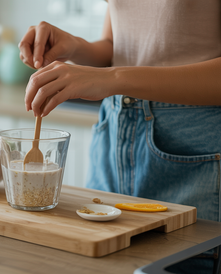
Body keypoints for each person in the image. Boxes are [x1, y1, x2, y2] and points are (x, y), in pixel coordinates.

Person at [19, 1, 221, 273]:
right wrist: (76, 46)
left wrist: (112, 78)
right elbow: (119, 45)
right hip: (113, 136)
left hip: (191, 150)